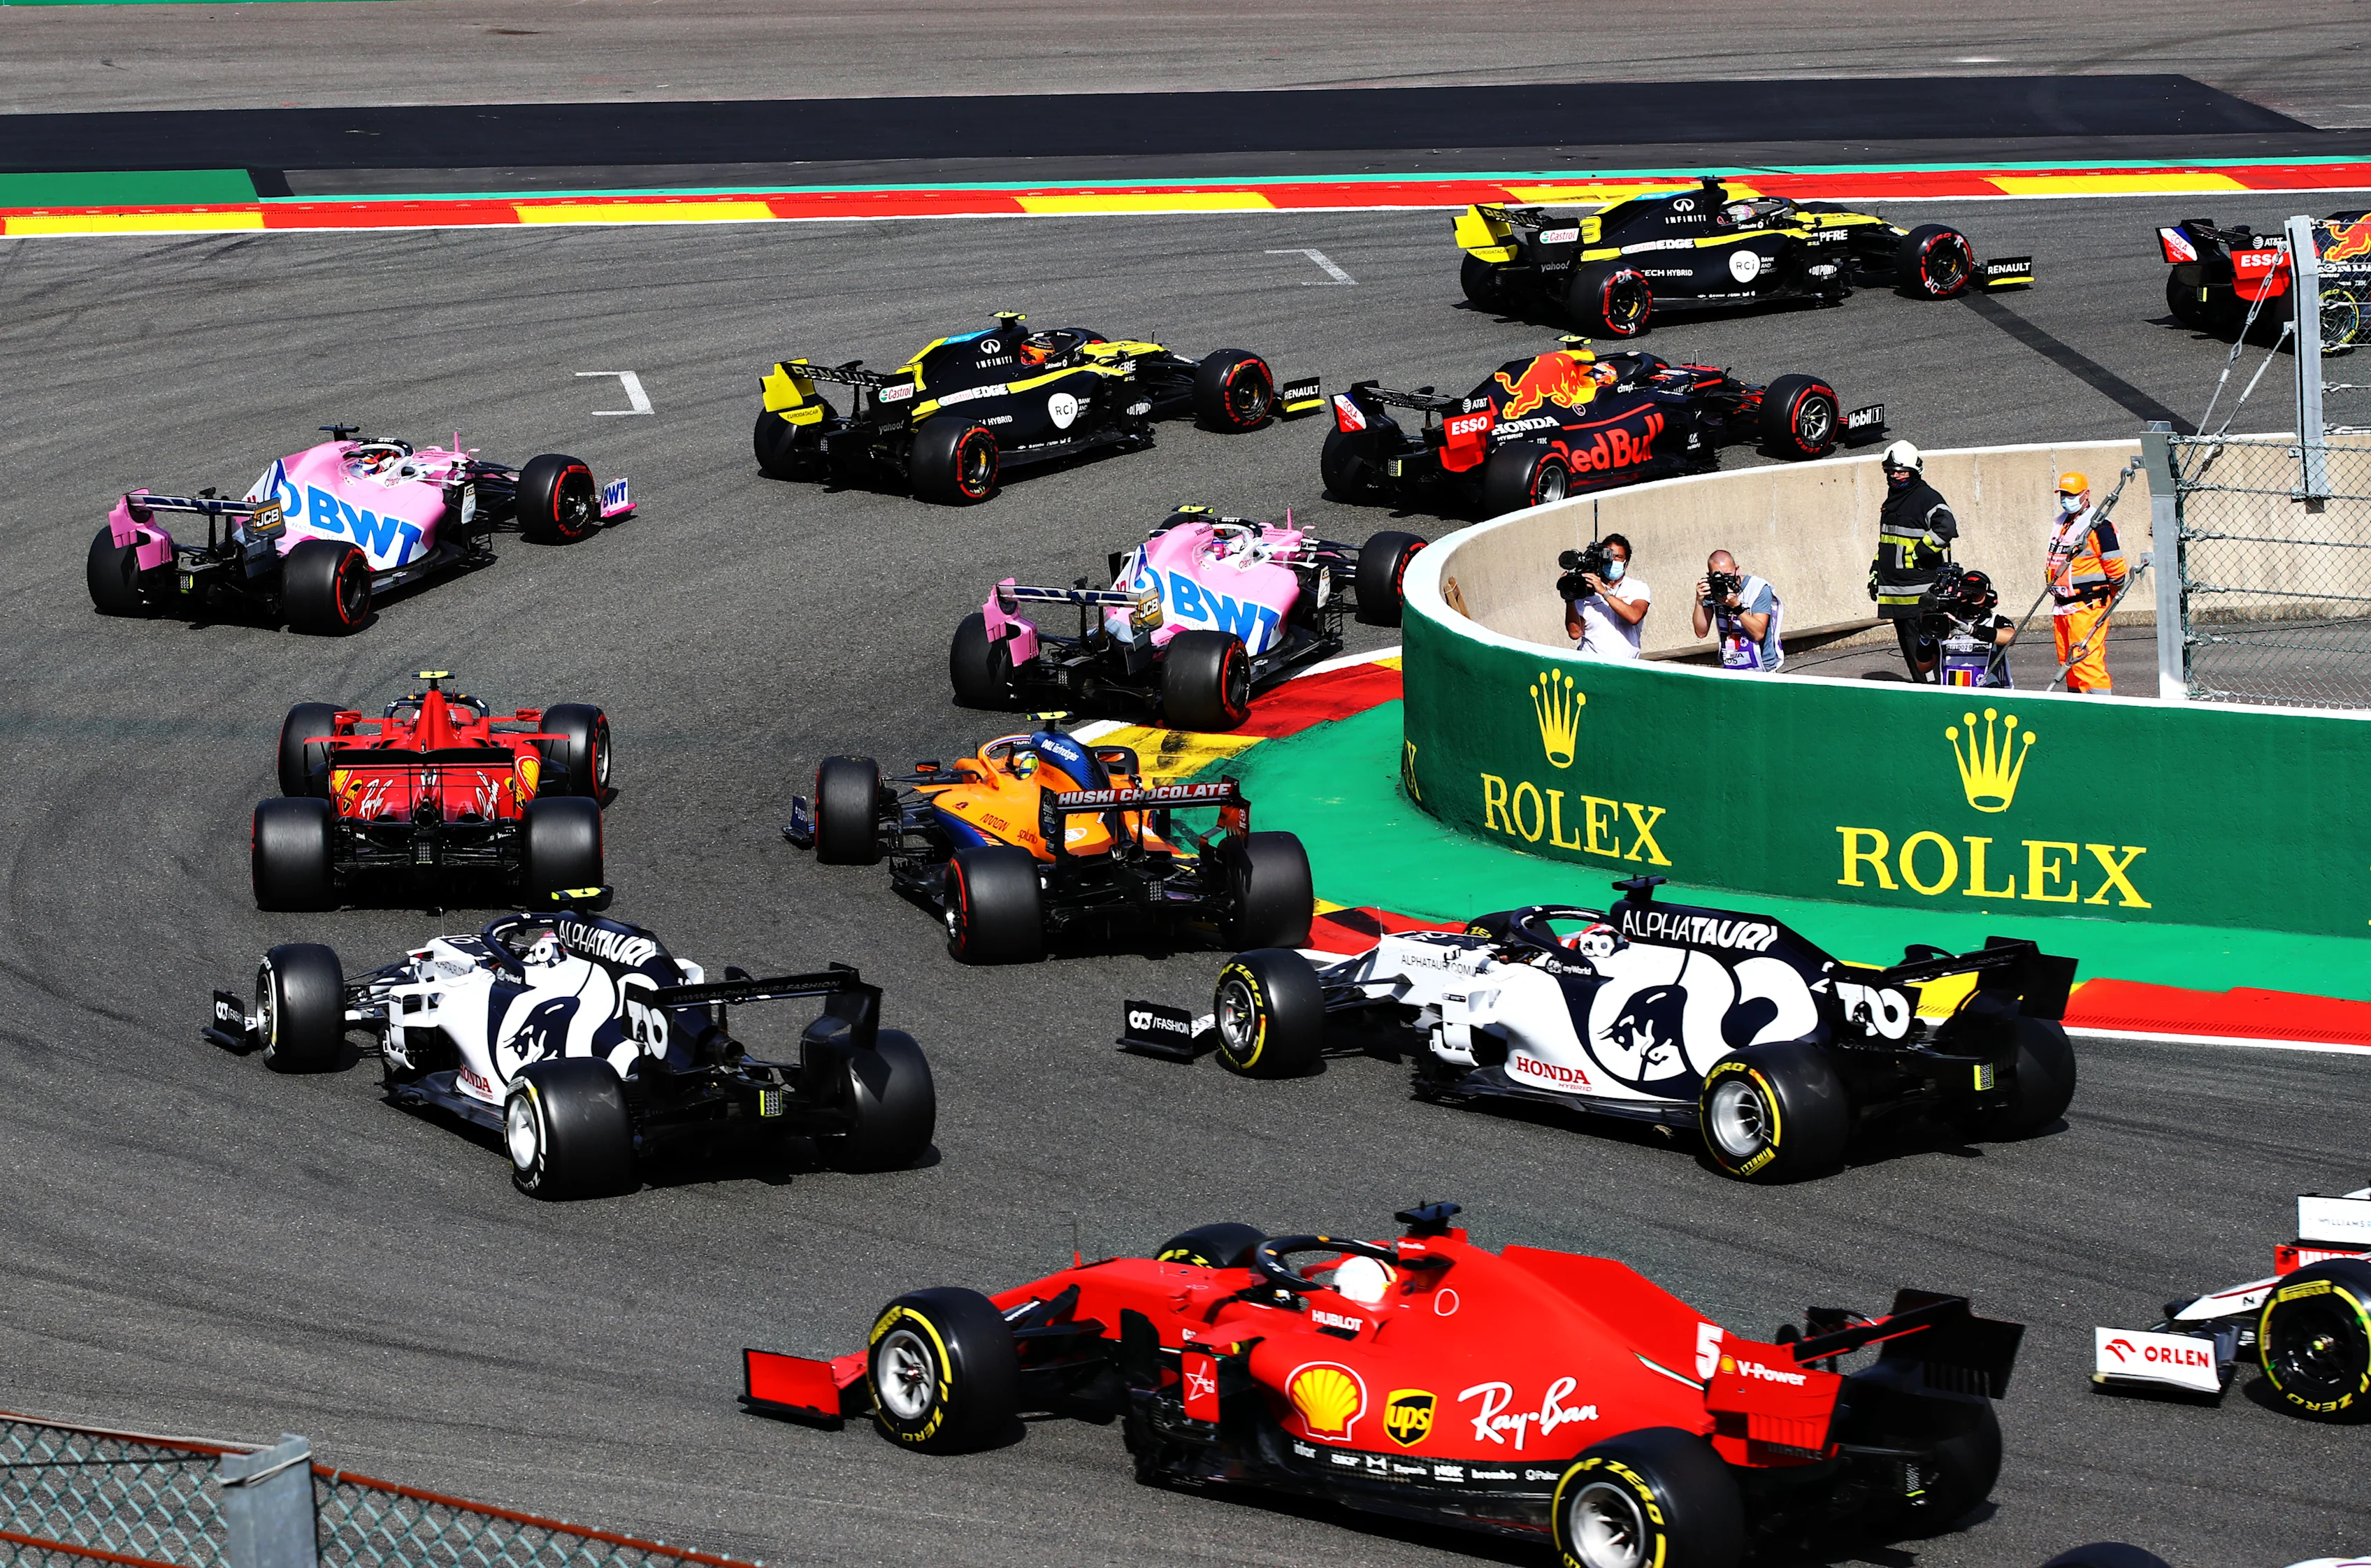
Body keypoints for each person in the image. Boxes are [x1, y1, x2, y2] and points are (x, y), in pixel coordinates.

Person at [1868, 439, 1960, 681]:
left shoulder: (1925, 497)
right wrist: (1876, 569)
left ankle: (1932, 695)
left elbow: (1946, 527)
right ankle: (1923, 691)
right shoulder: (1893, 500)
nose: (1895, 476)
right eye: (1891, 472)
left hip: (1917, 594)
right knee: (1909, 650)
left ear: (1914, 471)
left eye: (1901, 471)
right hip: (1896, 592)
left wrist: (1919, 553)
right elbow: (1889, 542)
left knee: (1923, 651)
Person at [2044, 470, 2128, 693]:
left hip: (2087, 606)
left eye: (2071, 494)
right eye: (2063, 494)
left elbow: (2117, 571)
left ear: (2086, 494)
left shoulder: (2099, 526)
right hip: (2063, 606)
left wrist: (2107, 597)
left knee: (2087, 664)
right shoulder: (2063, 523)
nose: (2066, 499)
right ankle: (2078, 709)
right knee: (2068, 663)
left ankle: (2100, 714)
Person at [1689, 549, 1784, 672]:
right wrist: (1699, 601)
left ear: (1737, 570)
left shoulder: (1758, 589)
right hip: (1731, 666)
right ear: (1710, 576)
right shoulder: (1713, 590)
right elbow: (1701, 632)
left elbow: (1758, 633)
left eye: (1728, 576)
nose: (1724, 581)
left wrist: (1737, 607)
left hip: (1762, 668)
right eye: (1719, 577)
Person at [1563, 533, 1651, 657]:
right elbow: (1575, 633)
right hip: (1592, 666)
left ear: (1626, 563)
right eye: (1609, 556)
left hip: (1626, 667)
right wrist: (1569, 597)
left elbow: (1634, 616)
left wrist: (1604, 592)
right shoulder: (1586, 591)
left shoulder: (1638, 588)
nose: (1613, 561)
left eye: (1618, 557)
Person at [1927, 568, 2017, 687]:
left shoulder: (1995, 621)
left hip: (1992, 695)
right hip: (1954, 696)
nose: (1971, 599)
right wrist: (1925, 637)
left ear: (1989, 596)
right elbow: (1924, 667)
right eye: (1968, 594)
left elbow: (2011, 638)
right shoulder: (1946, 623)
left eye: (1976, 595)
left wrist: (1970, 630)